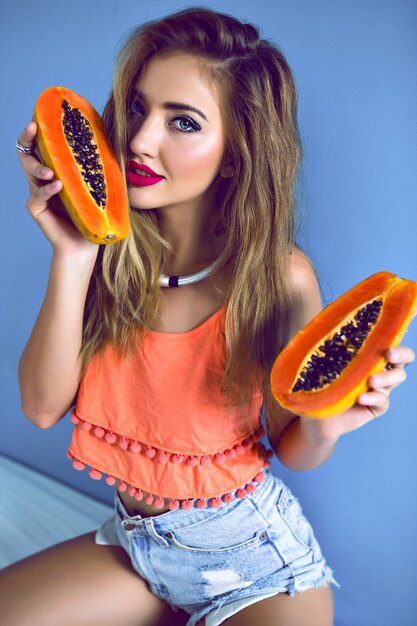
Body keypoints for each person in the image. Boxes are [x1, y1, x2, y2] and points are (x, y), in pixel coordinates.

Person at [2, 7, 414, 626]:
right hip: (135, 549)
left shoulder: (277, 276)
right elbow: (39, 407)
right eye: (137, 108)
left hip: (258, 567)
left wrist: (330, 423)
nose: (140, 140)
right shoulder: (111, 258)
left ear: (233, 154)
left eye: (183, 122)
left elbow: (292, 445)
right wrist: (72, 254)